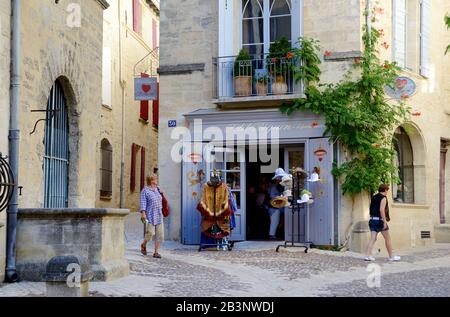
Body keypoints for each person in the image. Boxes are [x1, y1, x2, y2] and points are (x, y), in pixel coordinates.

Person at [365, 184, 401, 262]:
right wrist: (384, 222)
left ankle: (367, 256)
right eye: (387, 190)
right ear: (385, 190)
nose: (387, 191)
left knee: (373, 239)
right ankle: (391, 256)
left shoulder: (374, 197)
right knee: (387, 238)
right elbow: (382, 210)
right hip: (379, 221)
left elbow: (371, 207)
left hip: (372, 220)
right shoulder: (383, 198)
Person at [140, 174, 164, 259]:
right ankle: (144, 244)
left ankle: (156, 252)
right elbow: (143, 202)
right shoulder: (145, 191)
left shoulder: (157, 189)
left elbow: (161, 199)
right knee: (150, 233)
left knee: (159, 234)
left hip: (159, 214)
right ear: (151, 180)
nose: (156, 180)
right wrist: (143, 213)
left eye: (156, 178)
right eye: (155, 179)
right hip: (150, 214)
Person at [268, 168, 287, 240]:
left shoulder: (281, 186)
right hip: (274, 207)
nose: (280, 179)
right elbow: (271, 196)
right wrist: (280, 197)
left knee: (278, 221)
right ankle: (271, 235)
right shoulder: (274, 187)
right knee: (274, 221)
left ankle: (273, 234)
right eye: (280, 178)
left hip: (279, 206)